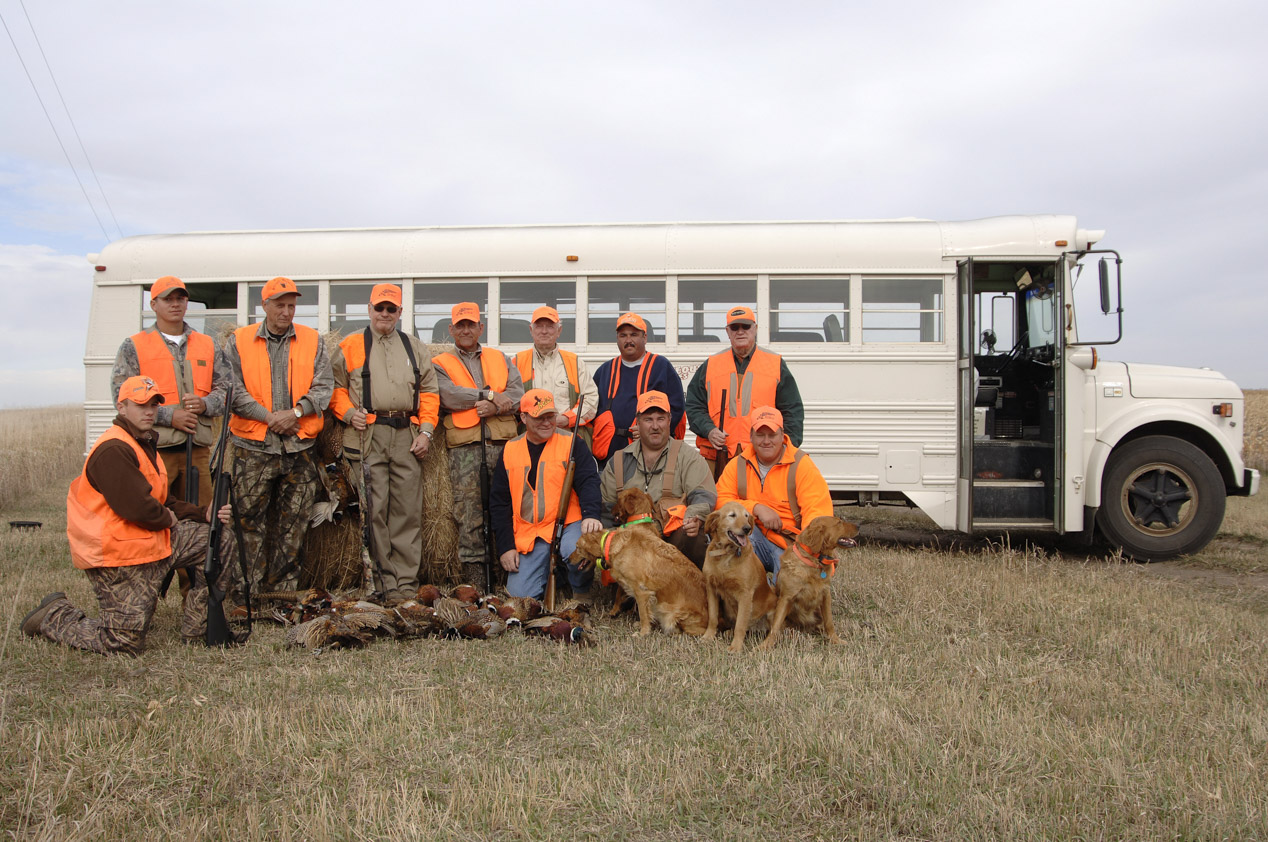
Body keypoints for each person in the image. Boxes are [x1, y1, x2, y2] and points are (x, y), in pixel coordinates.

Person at [21, 376, 237, 655]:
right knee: (124, 644)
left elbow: (164, 500)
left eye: (154, 404)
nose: (149, 410)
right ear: (121, 407)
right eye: (140, 404)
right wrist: (169, 518)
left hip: (152, 542)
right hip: (118, 555)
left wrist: (202, 513)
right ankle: (53, 615)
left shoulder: (143, 443)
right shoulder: (114, 449)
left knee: (218, 537)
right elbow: (138, 508)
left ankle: (199, 627)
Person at [331, 283, 440, 602]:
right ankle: (382, 583)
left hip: (406, 434)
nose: (385, 314)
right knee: (375, 510)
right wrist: (348, 412)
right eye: (380, 308)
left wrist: (427, 432)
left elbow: (431, 393)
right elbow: (335, 388)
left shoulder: (416, 348)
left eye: (391, 309)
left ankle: (406, 583)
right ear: (369, 309)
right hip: (367, 436)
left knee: (407, 511)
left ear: (400, 313)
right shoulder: (350, 346)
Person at [224, 276, 332, 596]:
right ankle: (247, 592)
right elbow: (233, 390)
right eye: (280, 305)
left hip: (299, 447)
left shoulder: (314, 340)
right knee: (246, 522)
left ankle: (282, 591)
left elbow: (324, 388)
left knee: (294, 524)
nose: (287, 312)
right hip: (253, 447)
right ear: (264, 306)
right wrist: (269, 418)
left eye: (292, 306)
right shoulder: (238, 340)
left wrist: (296, 413)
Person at [110, 275, 230, 507]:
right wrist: (169, 417)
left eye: (180, 298)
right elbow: (122, 398)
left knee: (201, 515)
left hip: (197, 450)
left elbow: (227, 391)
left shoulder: (208, 344)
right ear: (154, 305)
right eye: (168, 299)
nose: (175, 304)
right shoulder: (134, 345)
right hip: (153, 448)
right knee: (154, 511)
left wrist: (205, 404)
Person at [432, 302, 525, 586]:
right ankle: (475, 582)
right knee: (469, 512)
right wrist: (488, 395)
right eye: (460, 325)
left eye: (471, 324)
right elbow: (448, 396)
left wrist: (495, 408)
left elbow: (519, 395)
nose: (466, 330)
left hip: (504, 446)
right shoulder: (440, 364)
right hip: (466, 449)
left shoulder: (500, 358)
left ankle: (507, 573)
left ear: (480, 328)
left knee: (508, 507)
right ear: (451, 330)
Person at [490, 389, 602, 601]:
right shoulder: (510, 450)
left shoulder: (572, 443)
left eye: (550, 416)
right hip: (532, 534)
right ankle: (559, 577)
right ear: (523, 417)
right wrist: (506, 547)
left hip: (569, 524)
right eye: (538, 417)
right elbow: (499, 503)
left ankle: (580, 592)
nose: (546, 422)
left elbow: (589, 480)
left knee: (579, 550)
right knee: (519, 598)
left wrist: (591, 514)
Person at [599, 390, 716, 565]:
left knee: (696, 538)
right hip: (632, 543)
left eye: (660, 418)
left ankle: (691, 587)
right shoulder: (618, 462)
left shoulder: (688, 457)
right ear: (637, 422)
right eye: (648, 419)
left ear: (669, 420)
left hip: (673, 541)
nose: (655, 426)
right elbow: (606, 511)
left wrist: (694, 518)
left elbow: (703, 495)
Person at [714, 406, 832, 577]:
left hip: (790, 545)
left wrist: (806, 551)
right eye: (760, 435)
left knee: (787, 594)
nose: (766, 441)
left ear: (782, 435)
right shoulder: (738, 465)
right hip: (752, 539)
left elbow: (818, 513)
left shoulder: (801, 465)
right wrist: (756, 508)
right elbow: (721, 500)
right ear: (751, 436)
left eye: (772, 435)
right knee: (725, 537)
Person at [685, 305, 805, 469]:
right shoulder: (711, 364)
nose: (740, 331)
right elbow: (693, 405)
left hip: (761, 456)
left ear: (755, 329)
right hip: (718, 455)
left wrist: (785, 449)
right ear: (727, 331)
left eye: (745, 326)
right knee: (714, 495)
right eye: (734, 327)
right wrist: (709, 430)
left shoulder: (775, 364)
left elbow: (793, 411)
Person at [591, 312, 684, 465]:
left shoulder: (661, 367)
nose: (628, 340)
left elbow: (676, 407)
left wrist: (650, 431)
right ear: (617, 339)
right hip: (609, 459)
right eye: (623, 335)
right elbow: (592, 409)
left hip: (651, 457)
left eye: (634, 334)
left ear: (645, 338)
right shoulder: (605, 370)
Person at [513, 305, 598, 441]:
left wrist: (566, 419)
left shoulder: (575, 363)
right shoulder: (516, 362)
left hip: (567, 437)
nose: (544, 331)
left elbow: (591, 399)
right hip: (529, 440)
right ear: (531, 330)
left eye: (550, 326)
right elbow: (511, 401)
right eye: (539, 326)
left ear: (559, 331)